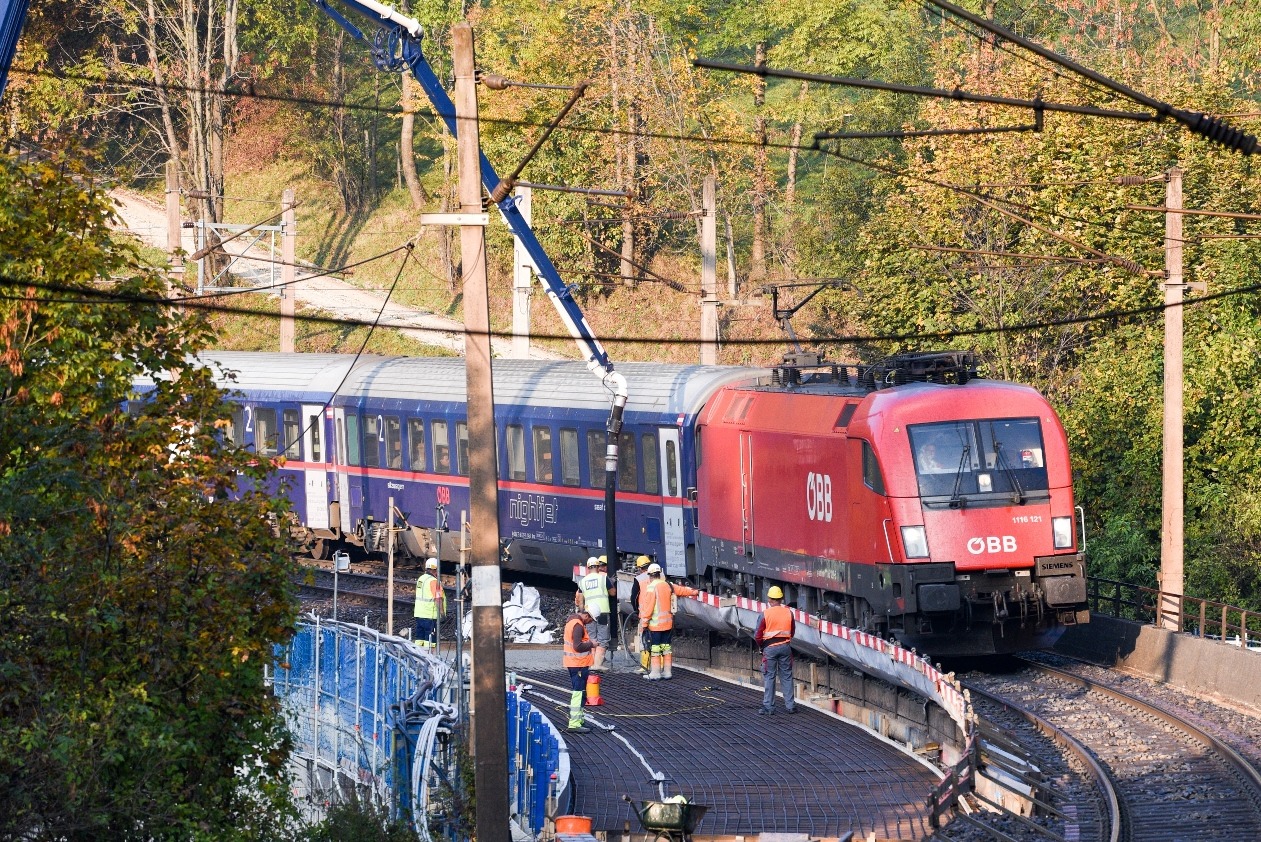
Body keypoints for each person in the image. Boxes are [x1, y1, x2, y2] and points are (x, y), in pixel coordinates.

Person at [637, 563, 699, 680]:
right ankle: (667, 672)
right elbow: (681, 590)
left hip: (655, 625)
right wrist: (695, 592)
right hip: (668, 624)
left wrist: (644, 624)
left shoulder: (651, 587)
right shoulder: (667, 585)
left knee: (655, 649)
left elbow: (648, 608)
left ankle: (655, 673)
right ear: (659, 574)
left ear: (649, 575)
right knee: (666, 648)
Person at [754, 585, 796, 715]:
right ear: (781, 599)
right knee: (787, 676)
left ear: (770, 600)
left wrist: (762, 646)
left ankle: (769, 707)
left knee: (770, 676)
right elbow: (792, 631)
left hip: (770, 649)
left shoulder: (765, 614)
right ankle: (790, 706)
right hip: (785, 647)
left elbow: (757, 635)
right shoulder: (789, 612)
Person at [575, 556, 615, 671]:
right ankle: (598, 664)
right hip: (602, 612)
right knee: (603, 639)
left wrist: (583, 613)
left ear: (588, 568)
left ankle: (592, 663)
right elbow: (612, 593)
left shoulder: (582, 581)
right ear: (598, 567)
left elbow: (581, 601)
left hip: (588, 614)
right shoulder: (603, 578)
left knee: (592, 637)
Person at [563, 608, 596, 733]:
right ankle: (575, 723)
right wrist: (592, 644)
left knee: (581, 693)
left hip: (576, 664)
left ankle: (579, 720)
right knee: (578, 693)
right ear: (586, 615)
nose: (591, 622)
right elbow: (577, 646)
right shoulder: (577, 625)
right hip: (578, 664)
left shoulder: (573, 622)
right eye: (591, 619)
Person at [413, 558, 446, 651]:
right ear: (435, 569)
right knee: (430, 640)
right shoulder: (434, 582)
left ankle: (417, 657)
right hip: (430, 616)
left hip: (419, 614)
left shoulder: (421, 579)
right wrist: (442, 614)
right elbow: (438, 598)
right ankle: (429, 659)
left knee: (419, 639)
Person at [629, 555, 654, 672]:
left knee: (645, 640)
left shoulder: (639, 579)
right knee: (659, 642)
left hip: (644, 614)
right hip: (659, 613)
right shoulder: (661, 575)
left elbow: (634, 597)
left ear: (640, 568)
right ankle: (660, 666)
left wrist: (636, 610)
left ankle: (645, 666)